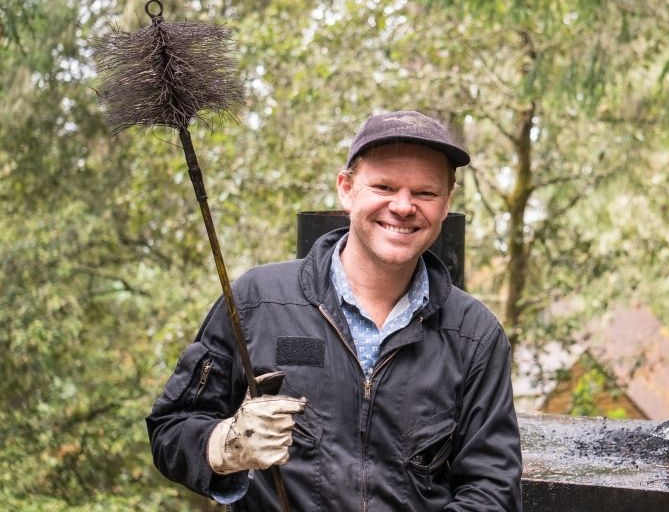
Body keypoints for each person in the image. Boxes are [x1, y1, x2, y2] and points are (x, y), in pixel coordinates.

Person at [146, 110, 523, 511]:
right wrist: (222, 446)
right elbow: (171, 430)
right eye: (383, 186)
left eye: (425, 193)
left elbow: (492, 487)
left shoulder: (474, 335)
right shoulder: (257, 302)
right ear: (346, 189)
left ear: (446, 204)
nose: (403, 206)